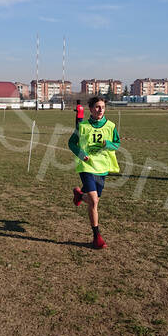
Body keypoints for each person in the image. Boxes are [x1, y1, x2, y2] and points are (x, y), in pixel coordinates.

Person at [69, 96, 120, 249]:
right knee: (94, 201)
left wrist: (108, 143)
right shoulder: (82, 126)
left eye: (102, 107)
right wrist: (80, 153)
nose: (100, 110)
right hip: (86, 165)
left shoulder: (110, 126)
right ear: (90, 109)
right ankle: (97, 237)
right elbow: (71, 142)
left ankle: (79, 195)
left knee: (94, 199)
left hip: (102, 166)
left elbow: (117, 144)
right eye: (97, 107)